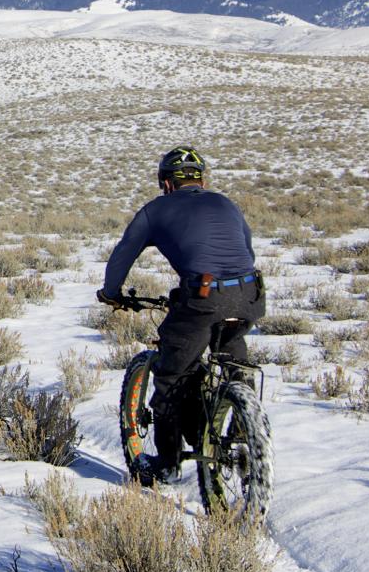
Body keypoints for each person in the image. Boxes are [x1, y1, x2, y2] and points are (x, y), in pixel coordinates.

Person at [96, 146, 266, 485]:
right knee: (232, 356)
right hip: (251, 295)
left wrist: (111, 293)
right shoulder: (226, 203)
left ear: (167, 183)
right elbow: (246, 251)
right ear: (201, 180)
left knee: (170, 375)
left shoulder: (156, 209)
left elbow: (124, 253)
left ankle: (168, 463)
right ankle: (243, 431)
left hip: (204, 297)